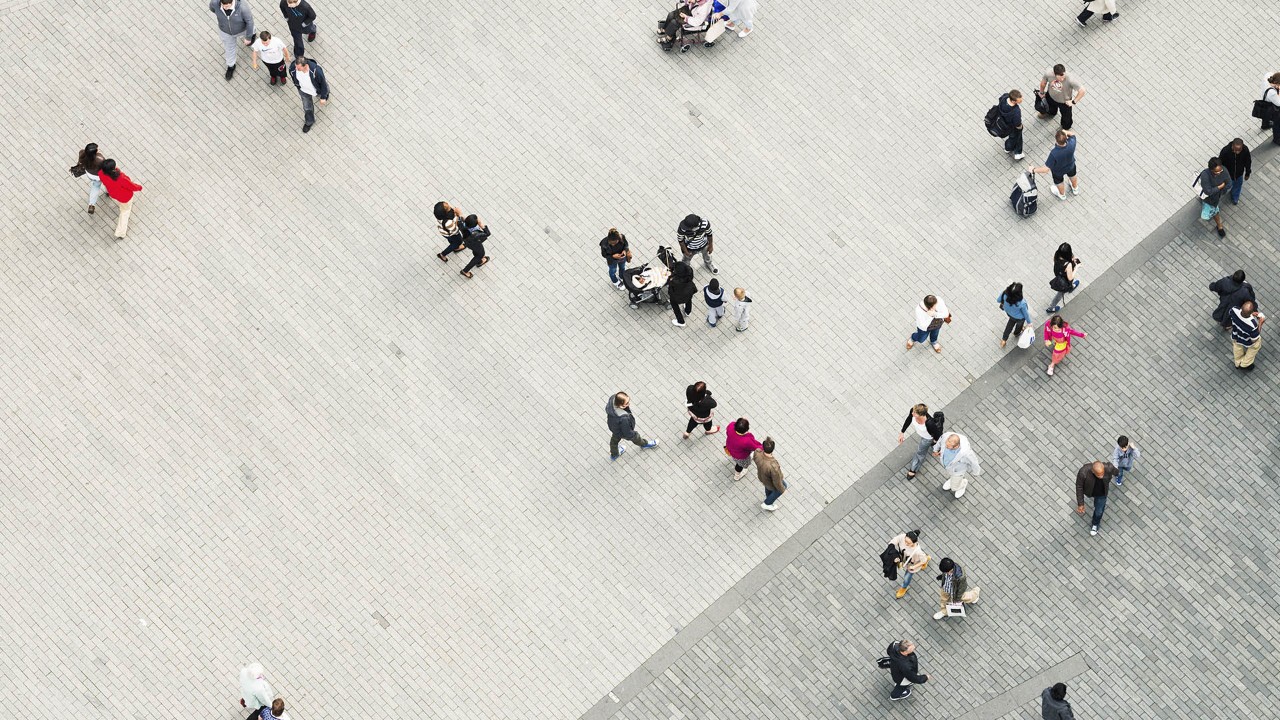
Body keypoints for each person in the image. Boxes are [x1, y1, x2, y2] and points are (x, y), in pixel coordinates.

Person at [606, 392, 659, 461]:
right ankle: (644, 444)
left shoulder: (612, 399)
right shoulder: (623, 418)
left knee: (614, 441)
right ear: (621, 406)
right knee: (636, 438)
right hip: (621, 431)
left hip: (614, 427)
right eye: (626, 403)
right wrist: (634, 435)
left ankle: (614, 455)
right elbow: (628, 433)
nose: (629, 404)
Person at [211, 0, 256, 80]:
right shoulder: (214, 3)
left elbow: (249, 22)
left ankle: (252, 35)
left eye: (227, 6)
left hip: (242, 29)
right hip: (225, 31)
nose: (225, 8)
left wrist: (248, 37)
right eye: (223, 5)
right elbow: (212, 9)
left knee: (251, 30)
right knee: (229, 49)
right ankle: (231, 66)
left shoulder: (242, 7)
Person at [97, 159, 142, 239]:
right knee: (125, 212)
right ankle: (120, 232)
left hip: (114, 194)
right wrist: (139, 187)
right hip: (125, 197)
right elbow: (131, 186)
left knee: (123, 207)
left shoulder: (101, 173)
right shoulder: (120, 178)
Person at [897, 403, 944, 479]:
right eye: (913, 411)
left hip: (927, 439)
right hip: (923, 435)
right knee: (928, 447)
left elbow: (938, 436)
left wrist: (935, 442)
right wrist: (902, 432)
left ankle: (913, 469)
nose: (912, 413)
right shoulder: (913, 411)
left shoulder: (929, 424)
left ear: (921, 415)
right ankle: (935, 445)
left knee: (920, 452)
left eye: (915, 413)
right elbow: (909, 419)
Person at [1029, 129, 1078, 200]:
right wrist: (1065, 132)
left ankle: (1062, 195)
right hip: (1071, 165)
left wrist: (1033, 170)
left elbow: (1046, 169)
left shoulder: (1054, 153)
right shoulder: (1072, 143)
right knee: (1073, 175)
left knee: (1059, 181)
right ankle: (1075, 188)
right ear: (1066, 138)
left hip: (1058, 171)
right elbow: (1072, 134)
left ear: (1056, 140)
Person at [1036, 64, 1086, 130]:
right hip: (1051, 96)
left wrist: (1073, 102)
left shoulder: (1071, 79)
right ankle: (1050, 113)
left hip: (1065, 102)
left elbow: (1082, 90)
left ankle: (1065, 128)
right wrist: (1041, 93)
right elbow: (1043, 83)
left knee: (1067, 118)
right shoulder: (1049, 73)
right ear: (1054, 74)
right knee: (1050, 109)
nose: (1062, 79)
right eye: (1060, 78)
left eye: (1063, 76)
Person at [934, 431, 981, 499]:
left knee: (954, 488)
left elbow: (974, 462)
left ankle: (962, 484)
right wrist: (935, 450)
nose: (945, 447)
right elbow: (940, 441)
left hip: (958, 471)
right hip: (949, 467)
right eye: (946, 444)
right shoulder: (945, 437)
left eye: (948, 446)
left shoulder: (966, 453)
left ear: (956, 446)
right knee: (952, 475)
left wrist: (976, 472)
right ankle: (953, 480)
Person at [288, 55, 329, 133]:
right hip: (303, 90)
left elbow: (323, 84)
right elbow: (294, 77)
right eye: (296, 67)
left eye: (298, 68)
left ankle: (325, 95)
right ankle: (309, 121)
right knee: (307, 107)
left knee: (325, 90)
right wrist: (298, 86)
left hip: (316, 90)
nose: (296, 69)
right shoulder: (293, 68)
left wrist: (323, 97)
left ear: (305, 66)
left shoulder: (316, 71)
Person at [1075, 460, 1117, 536]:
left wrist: (1119, 475)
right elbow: (1079, 487)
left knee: (1099, 512)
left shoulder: (1109, 467)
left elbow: (1116, 472)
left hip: (1102, 493)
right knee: (1098, 510)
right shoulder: (1083, 472)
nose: (1101, 476)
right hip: (1089, 491)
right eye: (1099, 475)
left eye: (1102, 474)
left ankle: (1095, 524)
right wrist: (1080, 504)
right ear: (1093, 471)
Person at [1194, 158, 1233, 238]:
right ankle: (1219, 225)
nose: (1219, 172)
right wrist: (1220, 187)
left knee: (1214, 209)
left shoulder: (1224, 171)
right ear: (1211, 170)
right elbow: (1208, 191)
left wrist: (1221, 192)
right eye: (1216, 171)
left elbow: (1229, 183)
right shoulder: (1205, 175)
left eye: (1220, 170)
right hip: (1209, 198)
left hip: (1216, 197)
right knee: (1214, 210)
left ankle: (1219, 225)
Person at [68, 142, 106, 214]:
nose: (98, 150)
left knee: (95, 187)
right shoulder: (100, 159)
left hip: (90, 174)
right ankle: (108, 192)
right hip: (99, 176)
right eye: (97, 149)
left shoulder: (82, 154)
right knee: (105, 183)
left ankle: (91, 204)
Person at [889, 530, 928, 599]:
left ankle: (904, 588)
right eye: (905, 541)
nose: (906, 544)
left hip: (912, 565)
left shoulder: (918, 551)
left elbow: (923, 560)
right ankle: (925, 562)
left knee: (907, 577)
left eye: (909, 543)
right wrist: (891, 547)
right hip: (904, 560)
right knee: (922, 559)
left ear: (914, 542)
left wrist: (914, 566)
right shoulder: (903, 537)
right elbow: (895, 539)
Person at [1230, 300, 1265, 371]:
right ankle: (1244, 364)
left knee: (1237, 347)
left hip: (1236, 335)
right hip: (1246, 340)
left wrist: (1250, 314)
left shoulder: (1234, 309)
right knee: (1255, 346)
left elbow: (1241, 316)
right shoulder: (1252, 325)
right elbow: (1254, 339)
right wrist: (1261, 323)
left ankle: (1237, 362)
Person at [1046, 243, 1081, 313]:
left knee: (1067, 286)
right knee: (1060, 293)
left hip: (1058, 273)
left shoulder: (1057, 254)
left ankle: (1071, 287)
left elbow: (1055, 261)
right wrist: (1077, 267)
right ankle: (1051, 308)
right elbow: (1070, 278)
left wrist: (1072, 259)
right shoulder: (1068, 265)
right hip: (1064, 280)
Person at [997, 282, 1032, 348]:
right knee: (1019, 325)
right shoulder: (1021, 303)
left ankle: (1004, 340)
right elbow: (1025, 314)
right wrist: (1029, 322)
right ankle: (1016, 333)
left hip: (1009, 313)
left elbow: (998, 300)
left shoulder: (1005, 294)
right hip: (1019, 318)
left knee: (1009, 325)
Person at [1218, 139, 1252, 205]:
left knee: (1238, 185)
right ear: (1232, 146)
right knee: (1224, 187)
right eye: (1236, 150)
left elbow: (1248, 162)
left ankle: (1235, 196)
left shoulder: (1245, 150)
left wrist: (1248, 173)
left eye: (1239, 150)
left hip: (1239, 174)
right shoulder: (1225, 151)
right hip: (1228, 175)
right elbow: (1220, 163)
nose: (1237, 152)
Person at [756, 438, 786, 511]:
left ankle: (768, 497)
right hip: (769, 479)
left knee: (768, 487)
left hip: (762, 476)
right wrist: (782, 489)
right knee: (784, 486)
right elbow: (777, 481)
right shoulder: (773, 466)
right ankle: (767, 503)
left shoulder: (757, 453)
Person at [997, 90, 1024, 159]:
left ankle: (1009, 149)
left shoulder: (1004, 97)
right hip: (1012, 126)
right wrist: (1020, 127)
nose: (1021, 101)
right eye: (1019, 101)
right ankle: (1017, 152)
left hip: (1003, 122)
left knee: (1014, 136)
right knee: (1016, 136)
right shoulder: (1016, 111)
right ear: (1013, 101)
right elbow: (1017, 123)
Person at [668, 261, 697, 327]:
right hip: (689, 291)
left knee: (674, 305)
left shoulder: (675, 281)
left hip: (679, 295)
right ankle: (688, 311)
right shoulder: (689, 270)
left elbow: (671, 287)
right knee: (689, 299)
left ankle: (681, 321)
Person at [1261, 73, 1280, 144]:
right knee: (1277, 123)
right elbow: (1279, 103)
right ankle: (1277, 139)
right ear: (1277, 84)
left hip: (1265, 102)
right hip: (1271, 106)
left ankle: (1265, 125)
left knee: (1265, 114)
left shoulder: (1268, 75)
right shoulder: (1272, 93)